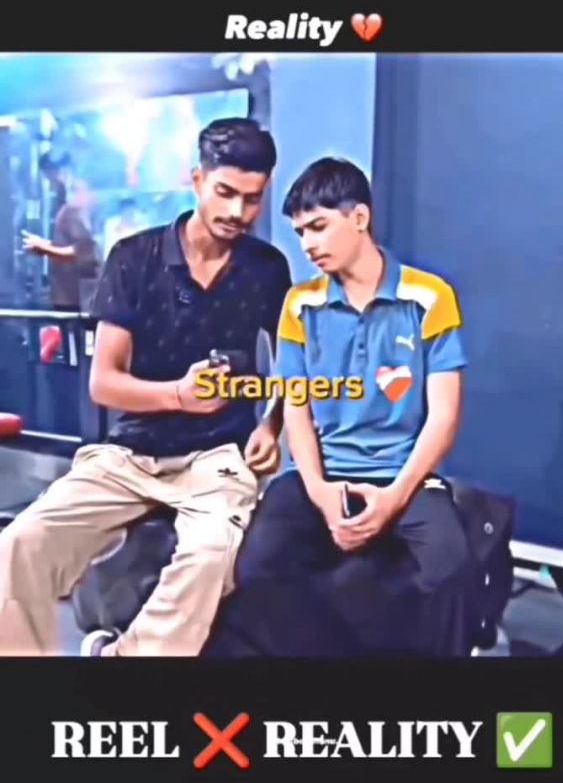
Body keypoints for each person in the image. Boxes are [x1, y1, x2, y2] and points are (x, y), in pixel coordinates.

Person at [0, 118, 291, 657]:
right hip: (130, 454)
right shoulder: (135, 257)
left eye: (252, 199)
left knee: (213, 555)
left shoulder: (267, 269)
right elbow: (104, 383)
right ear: (197, 179)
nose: (237, 212)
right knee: (20, 543)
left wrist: (272, 425)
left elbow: (292, 369)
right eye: (225, 192)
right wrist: (177, 395)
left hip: (217, 457)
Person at [206, 157, 475, 659]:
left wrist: (392, 499)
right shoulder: (299, 304)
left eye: (318, 226)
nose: (307, 244)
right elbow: (297, 409)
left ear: (359, 218)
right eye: (300, 232)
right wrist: (320, 491)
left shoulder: (429, 297)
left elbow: (444, 417)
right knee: (257, 567)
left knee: (451, 569)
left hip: (403, 474)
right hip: (322, 471)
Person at [22, 164, 101, 311]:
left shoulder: (75, 207)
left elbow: (83, 252)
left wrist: (45, 249)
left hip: (78, 296)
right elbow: (70, 244)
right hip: (66, 292)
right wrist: (46, 244)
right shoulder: (71, 208)